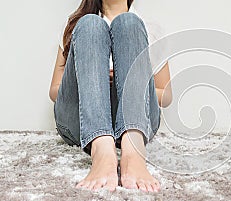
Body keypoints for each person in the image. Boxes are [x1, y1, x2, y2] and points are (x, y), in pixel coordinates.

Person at [49, 0, 172, 192]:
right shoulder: (75, 25)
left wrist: (128, 83)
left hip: (138, 116)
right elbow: (55, 91)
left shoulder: (149, 28)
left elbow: (166, 95)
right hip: (79, 121)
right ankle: (101, 148)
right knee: (90, 24)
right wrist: (92, 78)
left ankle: (133, 145)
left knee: (129, 23)